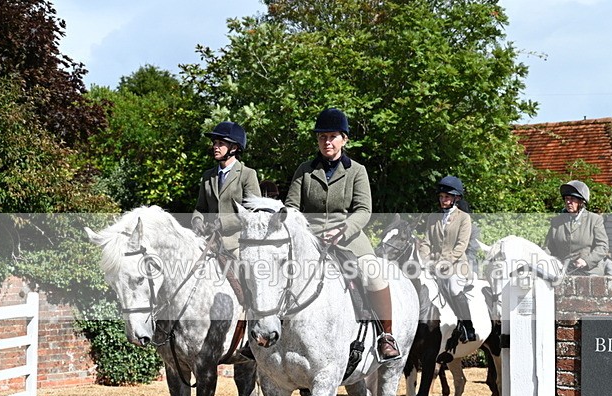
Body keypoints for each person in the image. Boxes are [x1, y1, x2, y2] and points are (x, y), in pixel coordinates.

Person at [285, 108, 400, 359]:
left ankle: (385, 335)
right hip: (310, 237)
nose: (327, 142)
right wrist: (301, 233)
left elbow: (363, 210)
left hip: (349, 238)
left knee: (374, 274)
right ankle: (265, 333)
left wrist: (343, 229)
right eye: (322, 137)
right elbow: (291, 208)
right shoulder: (304, 170)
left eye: (333, 137)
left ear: (344, 139)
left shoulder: (357, 171)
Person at [418, 175, 476, 343]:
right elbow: (426, 242)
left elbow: (461, 246)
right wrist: (425, 261)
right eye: (441, 197)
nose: (443, 200)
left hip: (456, 266)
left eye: (447, 197)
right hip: (433, 265)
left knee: (453, 288)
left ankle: (467, 327)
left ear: (456, 198)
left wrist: (443, 262)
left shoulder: (464, 218)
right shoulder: (433, 218)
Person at [191, 121, 261, 255]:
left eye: (220, 143)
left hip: (236, 244)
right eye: (214, 143)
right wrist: (197, 220)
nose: (215, 147)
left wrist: (222, 223)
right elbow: (200, 208)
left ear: (233, 148)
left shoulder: (247, 174)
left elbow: (252, 213)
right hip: (208, 242)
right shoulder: (207, 176)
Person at [544, 180, 609, 276]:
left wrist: (586, 261)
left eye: (572, 199)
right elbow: (548, 248)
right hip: (563, 271)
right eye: (566, 198)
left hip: (589, 271)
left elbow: (602, 247)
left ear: (581, 201)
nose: (569, 202)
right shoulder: (556, 222)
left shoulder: (595, 220)